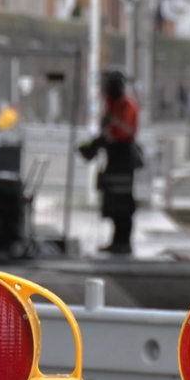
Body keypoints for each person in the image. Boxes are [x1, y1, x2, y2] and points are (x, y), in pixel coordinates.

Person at [79, 67, 140, 254]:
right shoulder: (112, 104)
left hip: (124, 158)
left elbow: (126, 131)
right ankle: (116, 241)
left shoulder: (126, 105)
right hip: (113, 158)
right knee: (112, 201)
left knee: (123, 202)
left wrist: (112, 125)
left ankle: (124, 242)